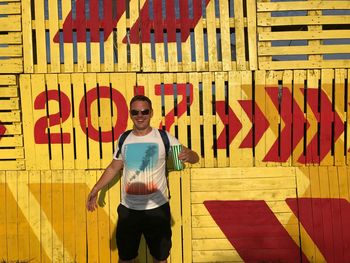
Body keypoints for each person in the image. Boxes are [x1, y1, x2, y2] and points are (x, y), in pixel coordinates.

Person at [86, 95, 199, 263]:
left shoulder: (164, 138)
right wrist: (95, 189)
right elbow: (113, 168)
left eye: (145, 111)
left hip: (157, 210)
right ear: (130, 114)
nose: (140, 116)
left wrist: (189, 155)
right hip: (129, 211)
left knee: (160, 258)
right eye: (135, 112)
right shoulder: (124, 139)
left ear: (151, 113)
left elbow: (195, 157)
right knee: (126, 258)